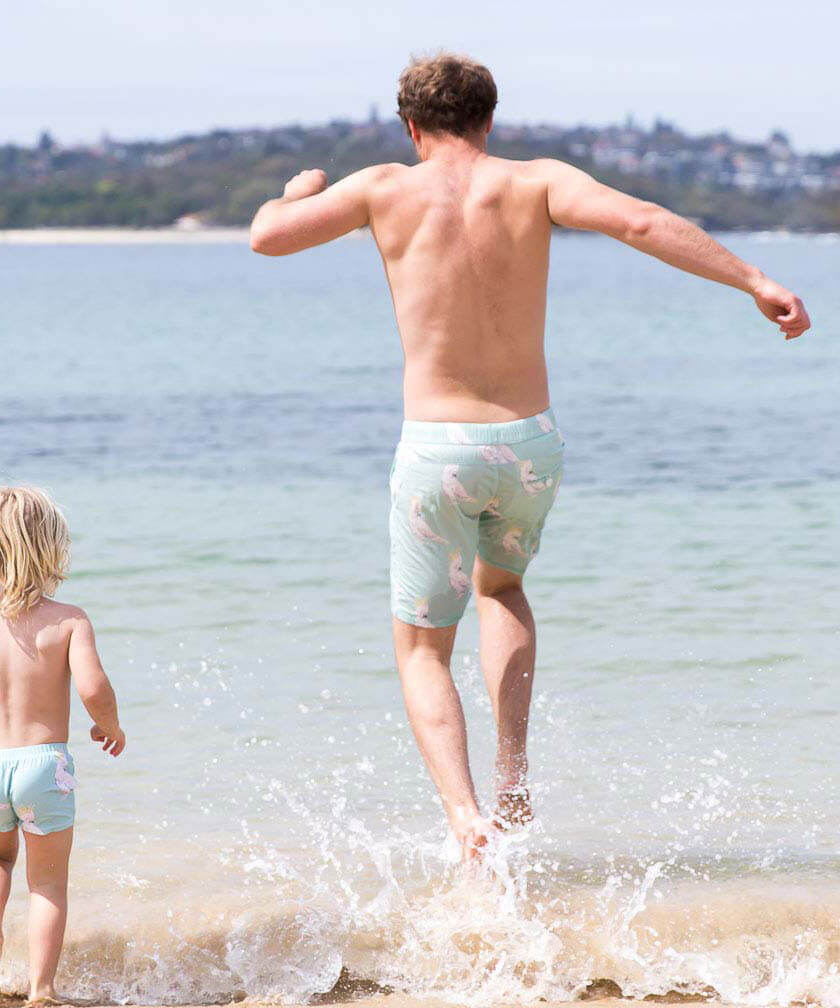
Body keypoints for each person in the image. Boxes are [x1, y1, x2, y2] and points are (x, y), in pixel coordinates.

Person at [249, 53, 811, 862]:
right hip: (528, 446)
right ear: (489, 120)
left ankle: (465, 813)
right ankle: (513, 782)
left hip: (437, 447)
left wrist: (298, 193)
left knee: (421, 647)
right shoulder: (537, 181)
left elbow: (267, 237)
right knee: (503, 588)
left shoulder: (383, 187)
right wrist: (754, 279)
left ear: (411, 127)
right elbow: (644, 222)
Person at [0, 485, 126, 1005]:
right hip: (45, 765)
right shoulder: (69, 619)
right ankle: (42, 988)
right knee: (48, 882)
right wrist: (108, 726)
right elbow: (93, 688)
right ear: (52, 545)